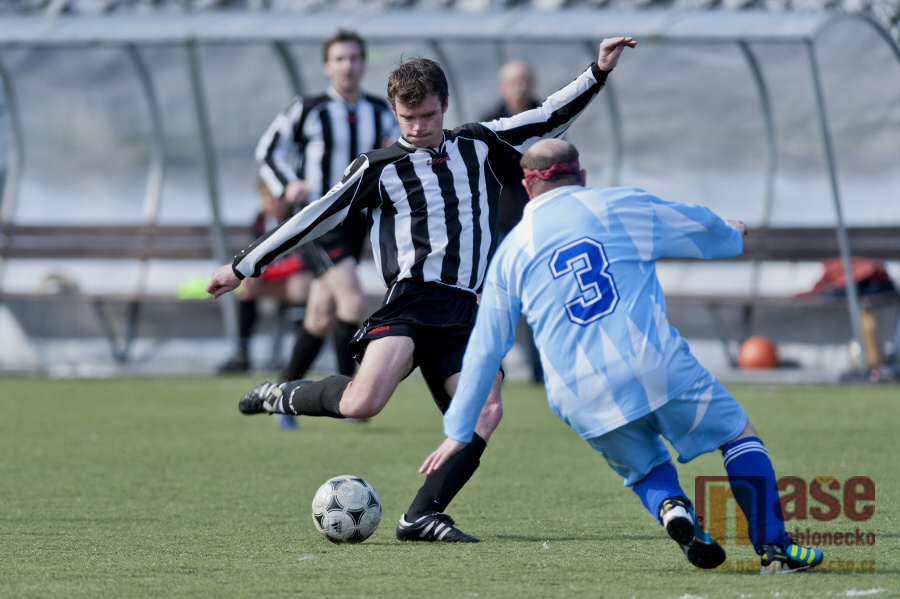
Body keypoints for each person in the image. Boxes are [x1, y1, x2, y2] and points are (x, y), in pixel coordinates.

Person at [207, 37, 637, 543]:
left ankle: (421, 516)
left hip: (468, 309)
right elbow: (315, 216)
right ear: (395, 111)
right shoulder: (378, 167)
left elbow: (547, 118)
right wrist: (244, 266)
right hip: (411, 302)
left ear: (445, 105)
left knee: (487, 411)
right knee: (362, 403)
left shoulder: (480, 143)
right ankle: (282, 394)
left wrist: (598, 71)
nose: (418, 127)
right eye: (408, 118)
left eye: (428, 116)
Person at [420, 138, 825, 571]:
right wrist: (731, 235)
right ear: (582, 175)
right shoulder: (620, 205)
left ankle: (672, 507)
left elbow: (485, 347)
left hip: (576, 394)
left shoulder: (510, 252)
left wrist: (459, 428)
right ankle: (774, 548)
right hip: (653, 365)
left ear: (526, 186)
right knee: (737, 434)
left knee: (645, 469)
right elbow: (698, 226)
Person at [255, 30, 401, 428]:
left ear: (363, 64)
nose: (347, 66)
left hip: (356, 223)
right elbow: (268, 151)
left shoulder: (379, 110)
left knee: (320, 316)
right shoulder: (308, 108)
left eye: (354, 58)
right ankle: (350, 398)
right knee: (352, 301)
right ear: (326, 66)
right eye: (339, 59)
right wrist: (288, 184)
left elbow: (400, 152)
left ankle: (279, 397)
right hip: (318, 222)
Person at [482, 59, 543, 384]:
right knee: (497, 297)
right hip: (500, 223)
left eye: (525, 79)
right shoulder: (489, 122)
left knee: (539, 295)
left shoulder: (547, 117)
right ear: (502, 87)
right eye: (514, 80)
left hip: (537, 220)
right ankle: (491, 369)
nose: (520, 86)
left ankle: (541, 372)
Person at [218, 178, 312, 374]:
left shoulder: (300, 217)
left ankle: (299, 355)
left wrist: (265, 272)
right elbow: (254, 257)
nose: (271, 202)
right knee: (246, 286)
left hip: (298, 281)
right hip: (274, 282)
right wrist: (254, 274)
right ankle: (242, 352)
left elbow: (300, 260)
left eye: (276, 196)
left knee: (299, 286)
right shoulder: (260, 221)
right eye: (266, 196)